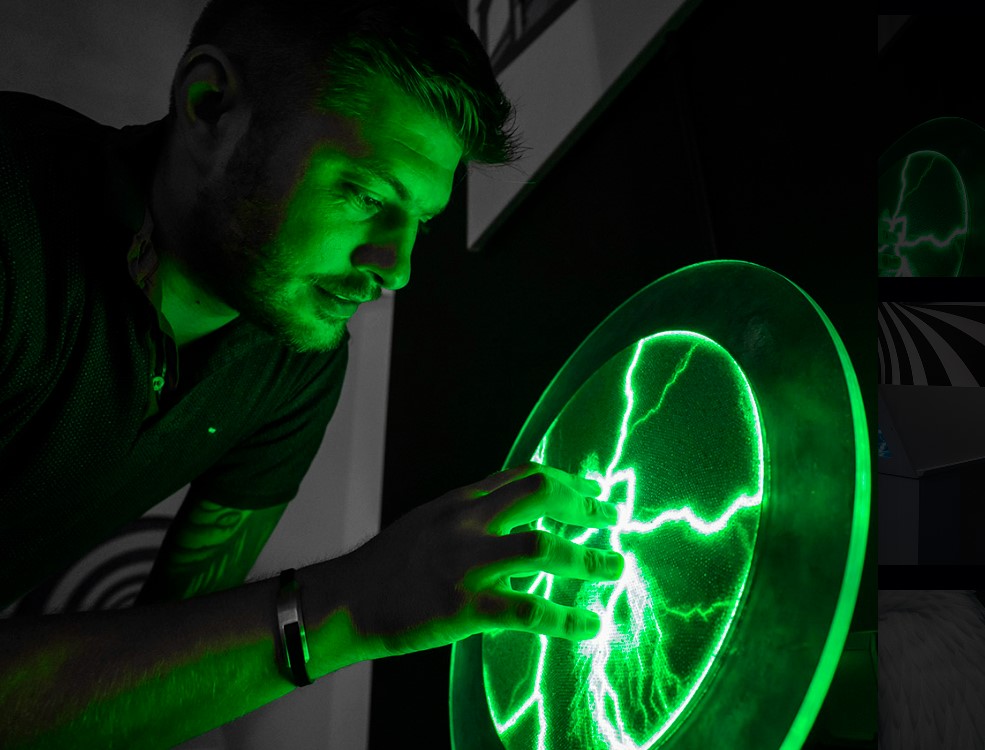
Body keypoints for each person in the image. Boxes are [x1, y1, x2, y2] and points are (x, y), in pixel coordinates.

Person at [0, 1, 624, 747]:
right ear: (209, 108)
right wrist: (349, 606)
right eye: (365, 195)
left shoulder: (295, 363)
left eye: (420, 223)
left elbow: (160, 657)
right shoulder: (14, 224)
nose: (396, 268)